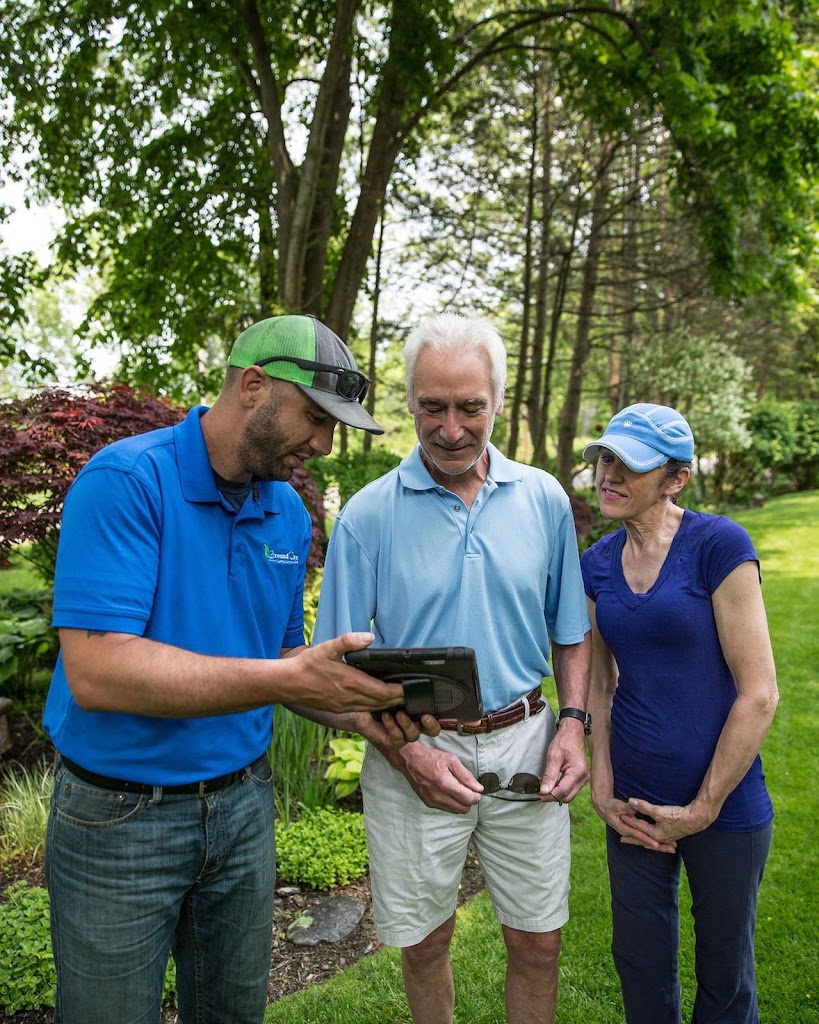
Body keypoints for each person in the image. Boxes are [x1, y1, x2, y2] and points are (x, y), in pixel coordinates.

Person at [43, 313, 419, 1024]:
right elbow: (99, 669)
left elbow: (277, 659)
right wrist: (286, 679)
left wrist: (365, 711)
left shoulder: (286, 513)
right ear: (252, 386)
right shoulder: (127, 480)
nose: (322, 443)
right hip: (120, 818)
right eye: (314, 417)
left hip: (243, 811)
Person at [312, 312, 592, 1024]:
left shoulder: (544, 499)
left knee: (538, 942)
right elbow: (330, 671)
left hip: (526, 739)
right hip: (414, 747)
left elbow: (571, 632)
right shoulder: (368, 517)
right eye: (431, 406)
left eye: (470, 407)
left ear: (496, 400)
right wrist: (405, 754)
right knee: (424, 943)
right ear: (407, 401)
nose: (450, 427)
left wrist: (573, 725)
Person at [580, 403, 779, 1024]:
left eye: (630, 465)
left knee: (725, 976)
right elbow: (600, 684)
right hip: (634, 809)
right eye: (605, 458)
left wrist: (704, 808)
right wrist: (604, 792)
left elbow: (760, 693)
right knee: (640, 967)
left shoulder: (718, 545)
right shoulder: (596, 564)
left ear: (675, 479)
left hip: (726, 806)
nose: (608, 474)